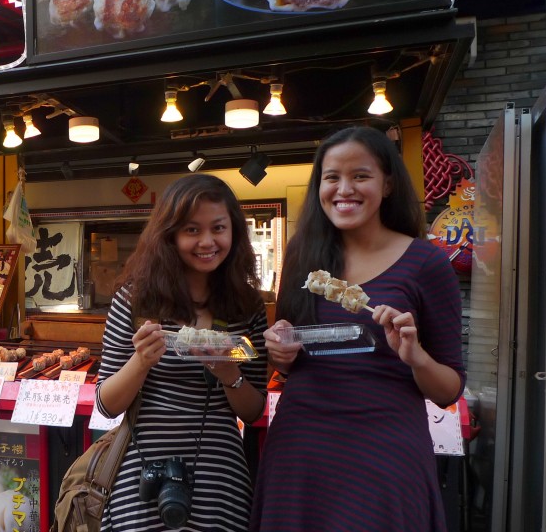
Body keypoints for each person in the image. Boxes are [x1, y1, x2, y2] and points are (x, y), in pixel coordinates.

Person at [250, 126, 465, 531]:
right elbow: (289, 357)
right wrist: (281, 352)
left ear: (386, 184)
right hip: (301, 446)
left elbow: (448, 389)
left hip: (384, 452)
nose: (344, 189)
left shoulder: (426, 263)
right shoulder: (301, 255)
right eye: (331, 177)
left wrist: (416, 358)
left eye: (360, 176)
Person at [95, 174, 268, 531]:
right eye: (192, 230)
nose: (207, 241)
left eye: (218, 228)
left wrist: (229, 373)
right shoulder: (135, 300)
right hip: (143, 471)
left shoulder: (247, 305)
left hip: (219, 477)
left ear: (233, 232)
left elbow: (253, 411)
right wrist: (140, 362)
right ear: (170, 235)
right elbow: (107, 404)